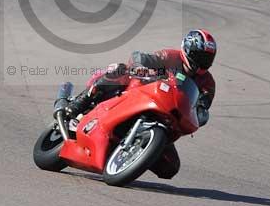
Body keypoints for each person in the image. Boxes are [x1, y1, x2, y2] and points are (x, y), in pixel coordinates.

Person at [58, 29, 217, 179]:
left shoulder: (208, 83)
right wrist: (140, 67)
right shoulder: (170, 56)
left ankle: (134, 154)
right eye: (198, 56)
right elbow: (139, 57)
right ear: (187, 49)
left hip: (169, 118)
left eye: (206, 59)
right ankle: (79, 104)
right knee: (120, 71)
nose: (201, 62)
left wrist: (202, 113)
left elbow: (203, 104)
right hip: (141, 94)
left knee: (170, 168)